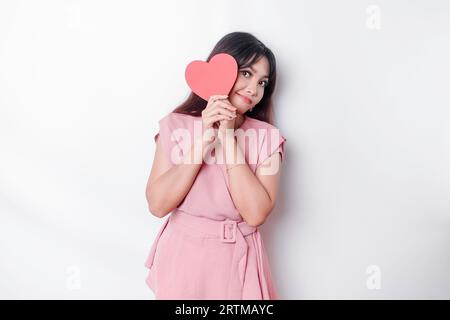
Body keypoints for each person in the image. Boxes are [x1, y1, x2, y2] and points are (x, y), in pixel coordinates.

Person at [144, 31, 286, 299]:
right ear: (223, 69)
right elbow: (157, 205)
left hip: (236, 263)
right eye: (246, 73)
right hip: (181, 261)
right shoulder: (175, 125)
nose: (254, 90)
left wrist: (227, 136)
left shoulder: (268, 138)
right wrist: (206, 137)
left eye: (262, 82)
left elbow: (256, 214)